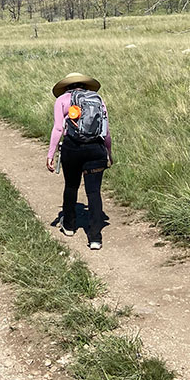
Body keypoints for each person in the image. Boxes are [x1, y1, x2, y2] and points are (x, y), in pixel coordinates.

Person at [46, 72, 112, 251]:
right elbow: (105, 131)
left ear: (67, 86)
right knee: (94, 192)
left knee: (71, 186)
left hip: (72, 148)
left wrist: (50, 154)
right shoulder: (98, 100)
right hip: (96, 149)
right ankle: (95, 237)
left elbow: (59, 128)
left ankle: (69, 225)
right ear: (85, 86)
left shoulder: (62, 100)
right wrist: (109, 152)